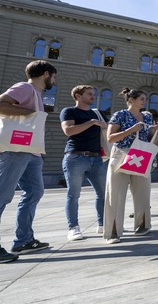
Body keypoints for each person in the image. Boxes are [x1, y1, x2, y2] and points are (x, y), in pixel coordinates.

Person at [0, 60, 56, 263]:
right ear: (46, 74)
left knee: (34, 191)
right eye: (53, 77)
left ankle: (23, 240)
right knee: (3, 194)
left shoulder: (36, 95)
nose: (53, 81)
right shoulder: (25, 88)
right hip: (16, 150)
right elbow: (1, 104)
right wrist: (31, 114)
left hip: (31, 152)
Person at [103, 88, 158, 244]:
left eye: (145, 98)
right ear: (131, 100)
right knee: (115, 193)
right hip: (121, 153)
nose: (144, 101)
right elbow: (110, 138)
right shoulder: (120, 115)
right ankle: (113, 232)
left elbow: (151, 140)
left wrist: (156, 133)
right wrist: (131, 130)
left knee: (143, 191)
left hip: (140, 155)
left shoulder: (147, 117)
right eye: (141, 98)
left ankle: (143, 225)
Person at [60, 85, 108, 241]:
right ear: (78, 96)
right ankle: (73, 228)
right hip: (75, 157)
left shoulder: (98, 113)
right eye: (89, 94)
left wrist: (103, 124)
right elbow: (68, 130)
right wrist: (91, 122)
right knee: (73, 195)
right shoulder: (69, 111)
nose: (93, 96)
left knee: (103, 194)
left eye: (93, 93)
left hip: (97, 158)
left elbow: (109, 130)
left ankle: (102, 225)